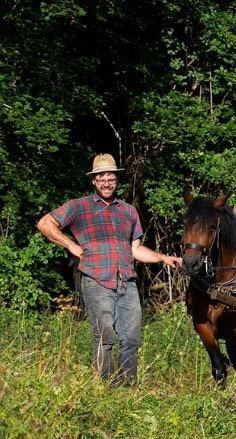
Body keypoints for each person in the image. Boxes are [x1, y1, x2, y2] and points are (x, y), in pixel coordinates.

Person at [37, 153, 182, 385]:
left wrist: (163, 257)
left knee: (131, 338)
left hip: (126, 282)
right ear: (94, 181)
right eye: (101, 177)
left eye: (111, 177)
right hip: (96, 279)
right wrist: (71, 245)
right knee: (105, 335)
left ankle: (127, 388)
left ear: (116, 180)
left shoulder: (128, 211)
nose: (106, 182)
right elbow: (45, 223)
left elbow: (135, 249)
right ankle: (106, 387)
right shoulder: (79, 207)